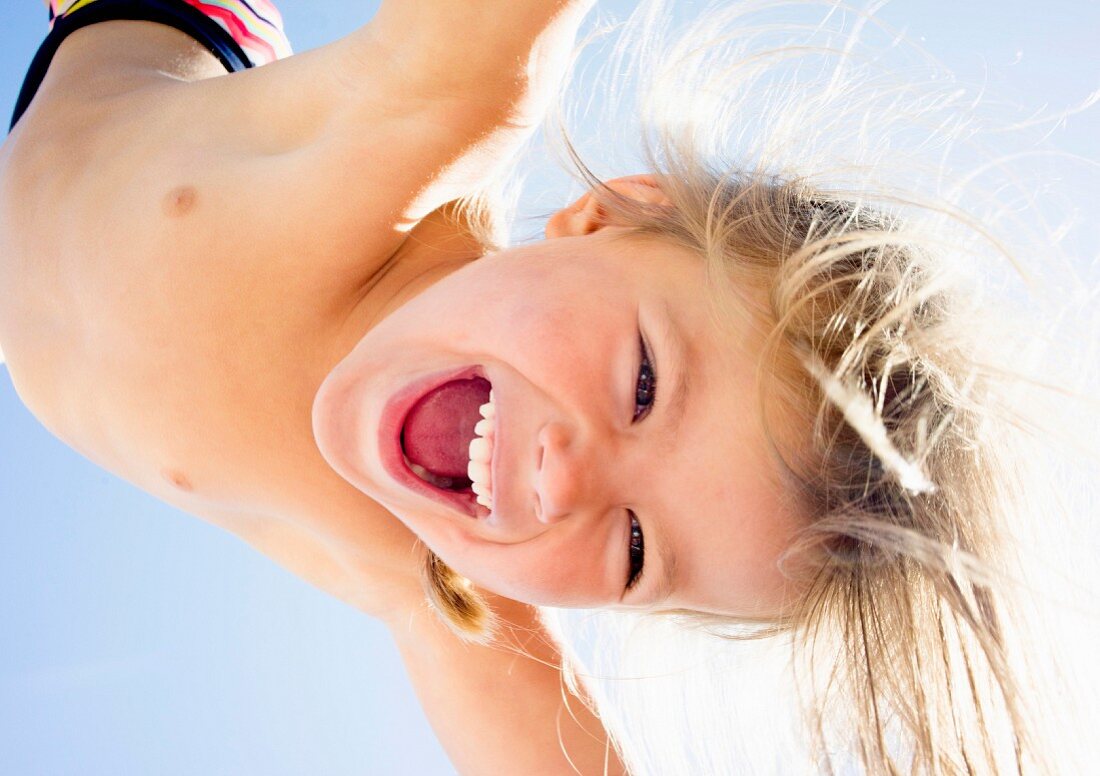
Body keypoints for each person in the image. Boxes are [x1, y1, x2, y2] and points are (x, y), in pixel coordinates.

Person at [1, 0, 1091, 773]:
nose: (566, 476)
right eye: (643, 384)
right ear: (604, 214)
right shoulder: (420, 128)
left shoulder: (419, 576)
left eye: (631, 551)